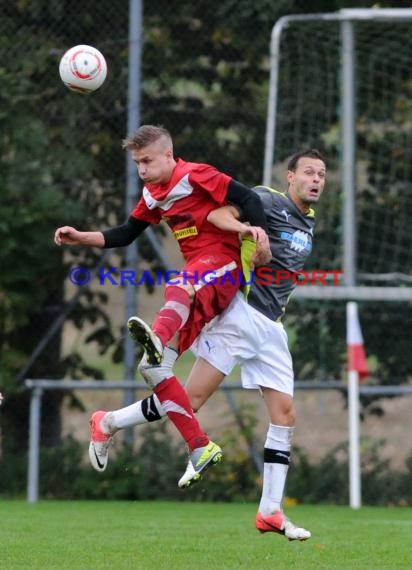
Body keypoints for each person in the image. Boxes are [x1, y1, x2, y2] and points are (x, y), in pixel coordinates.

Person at [89, 148, 326, 540]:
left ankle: (270, 511)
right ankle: (108, 422)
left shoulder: (308, 222)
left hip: (271, 327)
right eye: (308, 173)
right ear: (290, 177)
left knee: (284, 416)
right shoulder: (267, 200)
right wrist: (252, 230)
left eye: (321, 174)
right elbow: (217, 215)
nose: (316, 179)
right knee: (191, 401)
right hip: (239, 313)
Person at [54, 124, 270, 487]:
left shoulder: (195, 174)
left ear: (168, 155)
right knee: (152, 371)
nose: (142, 169)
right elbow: (125, 233)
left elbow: (249, 199)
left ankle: (158, 335)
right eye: (137, 162)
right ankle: (195, 445)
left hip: (223, 263)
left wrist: (260, 235)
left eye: (148, 161)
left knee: (179, 283)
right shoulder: (153, 194)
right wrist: (81, 237)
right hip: (199, 288)